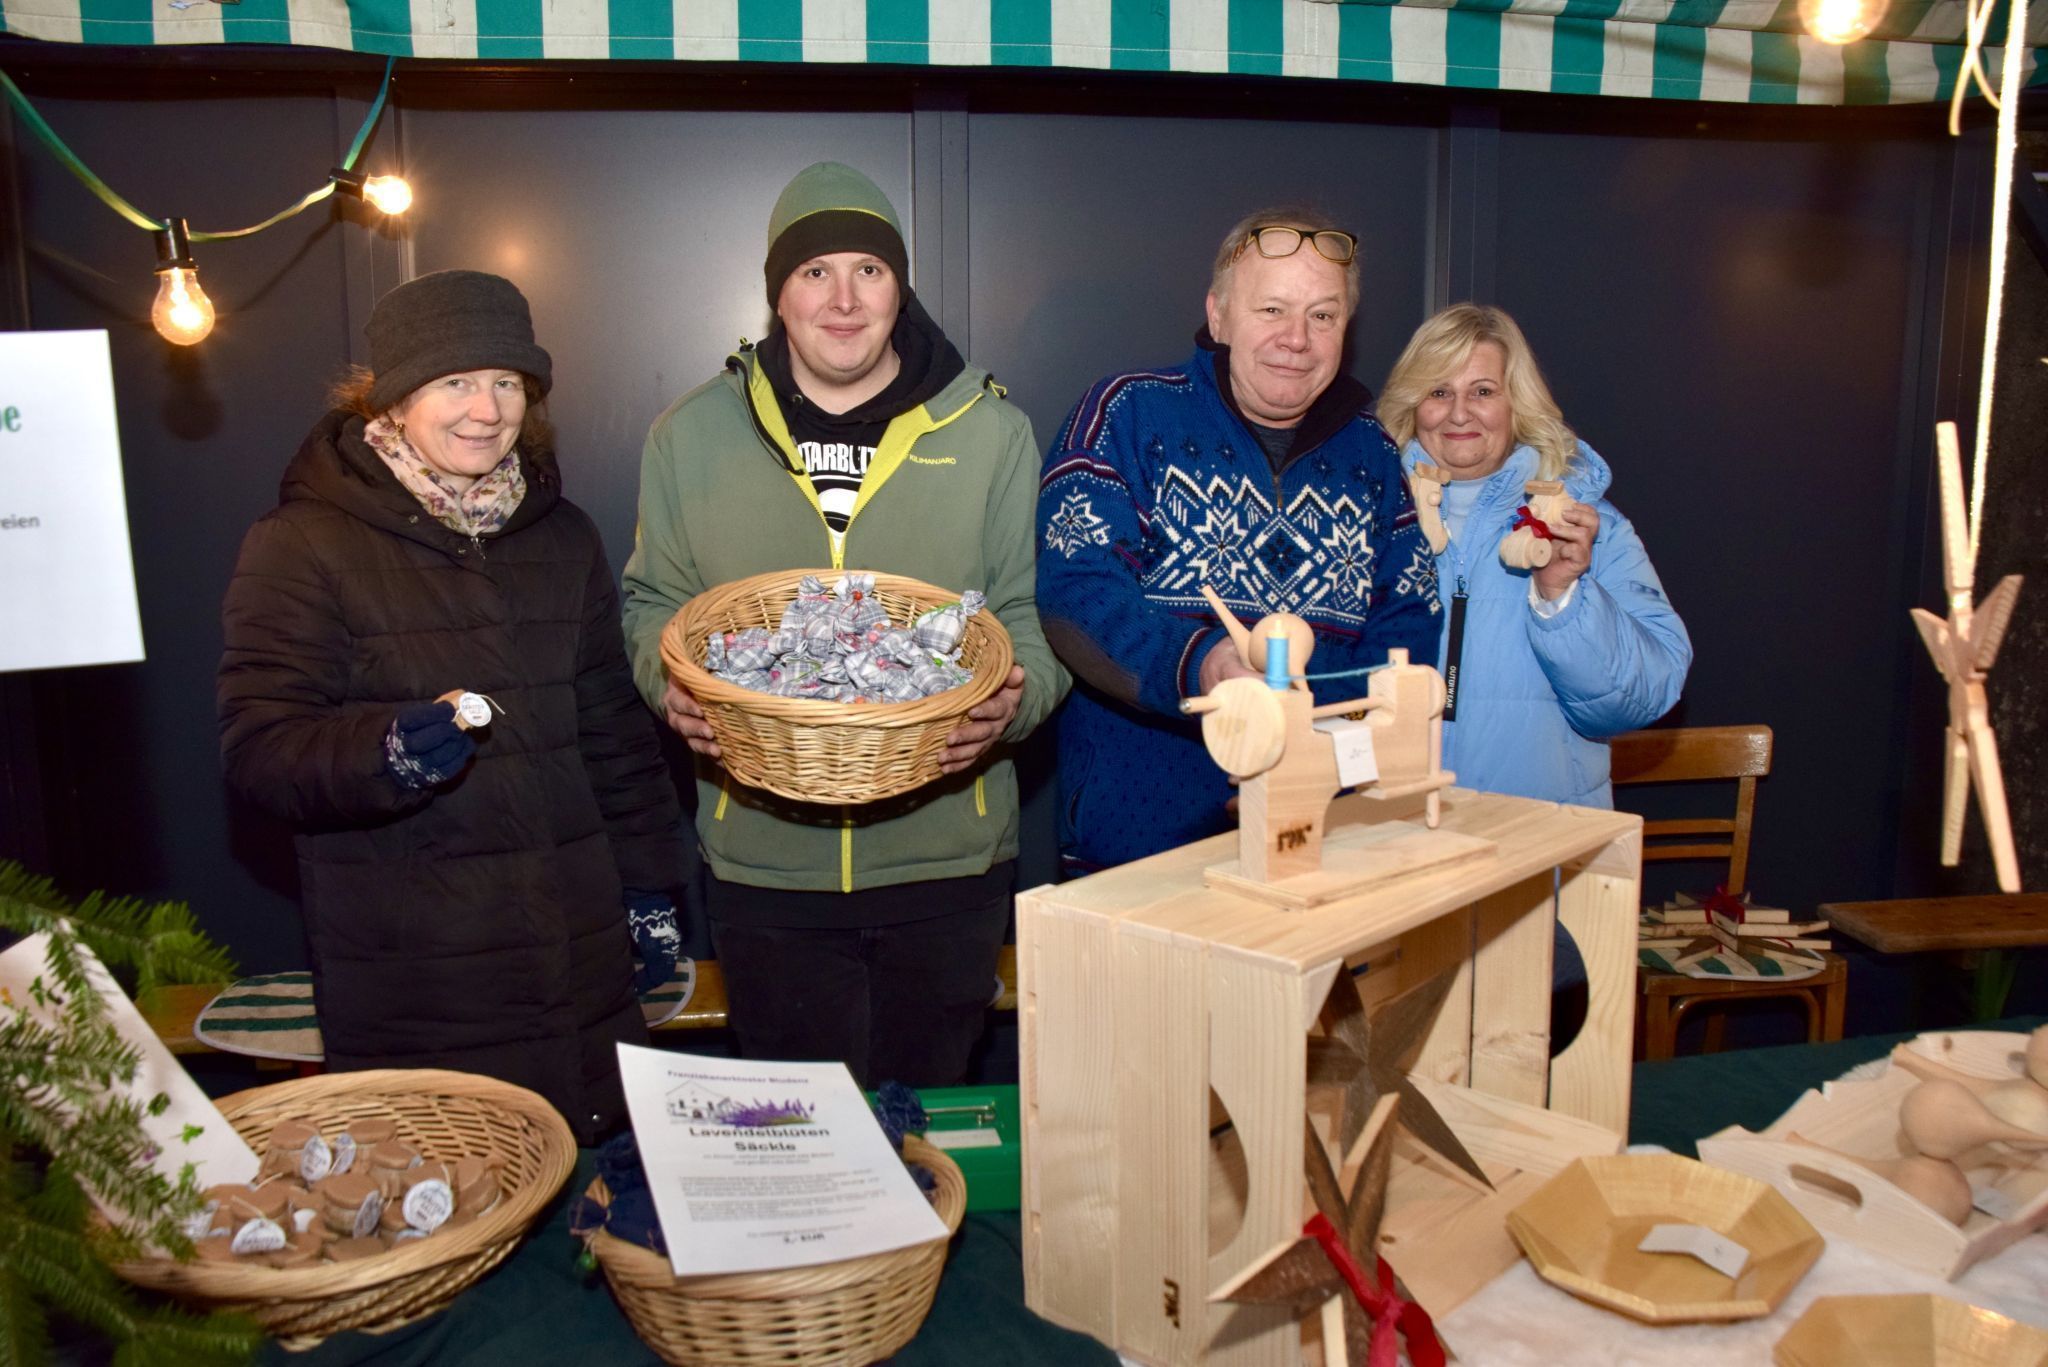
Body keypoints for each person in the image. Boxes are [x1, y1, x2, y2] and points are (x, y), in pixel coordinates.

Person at [620, 162, 1067, 1089]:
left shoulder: (990, 431)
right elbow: (652, 602)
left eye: (869, 269)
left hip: (946, 860)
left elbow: (1027, 615)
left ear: (899, 287)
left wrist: (1015, 702)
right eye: (814, 271)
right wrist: (664, 683)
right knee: (797, 1135)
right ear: (778, 293)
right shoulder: (689, 435)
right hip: (764, 864)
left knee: (924, 1131)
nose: (844, 299)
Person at [218, 270, 687, 1143]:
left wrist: (650, 883)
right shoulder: (302, 542)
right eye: (455, 380)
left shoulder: (563, 535)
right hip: (418, 977)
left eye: (508, 381)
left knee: (590, 1195)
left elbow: (613, 734)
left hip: (580, 964)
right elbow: (260, 749)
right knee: (455, 1187)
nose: (486, 408)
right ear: (393, 399)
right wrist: (385, 751)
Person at [1036, 207, 1442, 875]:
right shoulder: (1125, 415)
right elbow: (1075, 595)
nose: (1297, 338)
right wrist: (1203, 664)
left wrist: (1314, 761)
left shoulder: (1374, 454)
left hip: (1319, 834)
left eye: (1323, 315)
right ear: (1218, 315)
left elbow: (1409, 622)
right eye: (1272, 309)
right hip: (1139, 846)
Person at [1376, 302, 1691, 809]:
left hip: (1541, 833)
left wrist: (1562, 598)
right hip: (1394, 828)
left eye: (1483, 391)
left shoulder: (1586, 525)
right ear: (1413, 404)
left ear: (1516, 404)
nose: (1459, 412)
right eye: (1438, 391)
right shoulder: (1369, 517)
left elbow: (1642, 698)